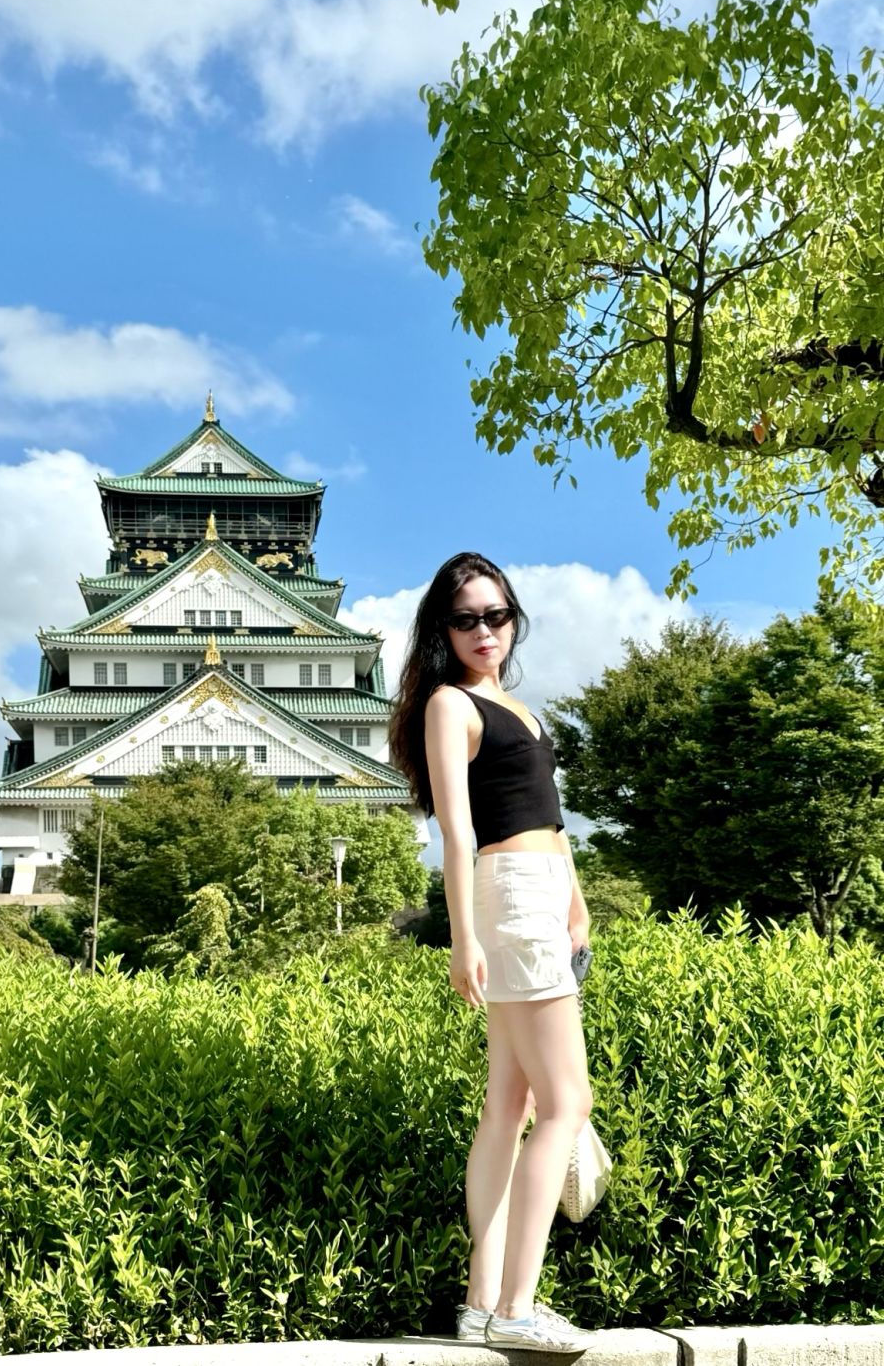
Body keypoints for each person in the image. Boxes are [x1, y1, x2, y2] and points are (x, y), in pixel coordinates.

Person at [389, 553, 592, 1355]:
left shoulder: (520, 707)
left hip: (543, 889)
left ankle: (482, 1303)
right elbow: (458, 830)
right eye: (467, 617)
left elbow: (553, 817)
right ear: (444, 629)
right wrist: (462, 935)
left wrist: (574, 898)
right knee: (566, 1103)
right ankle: (517, 1303)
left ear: (514, 618)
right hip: (506, 889)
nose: (485, 630)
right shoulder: (451, 703)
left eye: (497, 614)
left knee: (509, 1108)